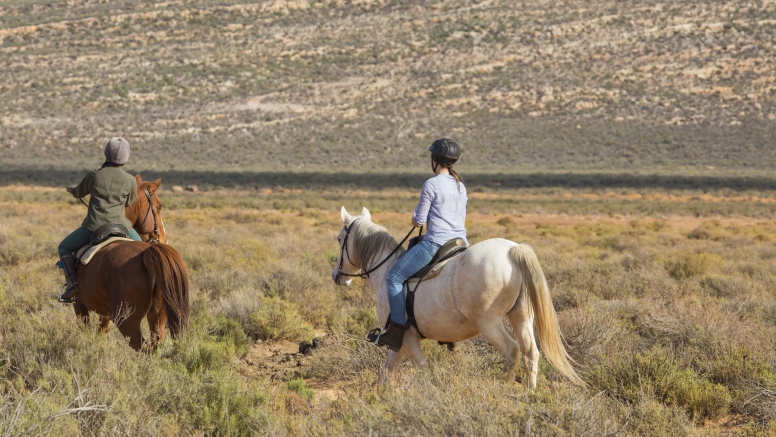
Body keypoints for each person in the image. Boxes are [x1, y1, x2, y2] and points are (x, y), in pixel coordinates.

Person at [377, 138, 468, 351]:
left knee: (393, 277)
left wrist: (413, 219)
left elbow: (419, 220)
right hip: (460, 244)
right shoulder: (460, 186)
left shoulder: (432, 184)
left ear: (434, 160)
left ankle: (396, 331)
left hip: (436, 243)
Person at [57, 137, 142, 301]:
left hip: (94, 227)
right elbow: (130, 202)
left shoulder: (95, 175)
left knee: (64, 247)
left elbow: (78, 193)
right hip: (122, 227)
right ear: (126, 157)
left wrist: (73, 190)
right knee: (145, 248)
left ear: (106, 154)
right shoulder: (130, 180)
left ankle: (72, 285)